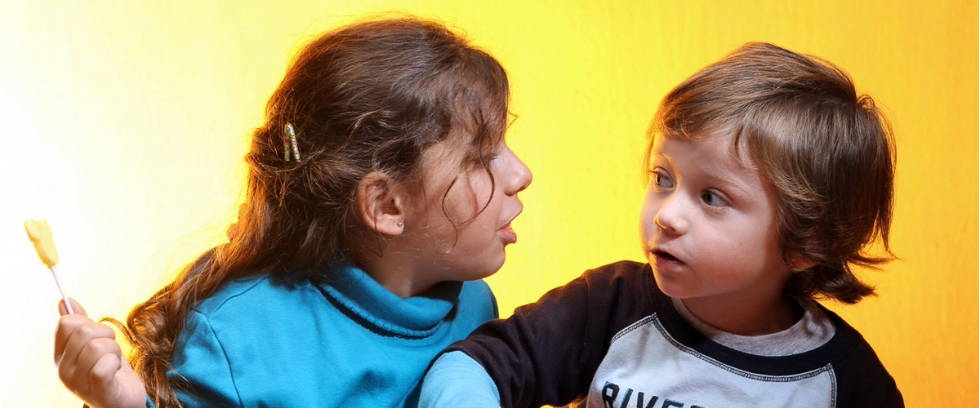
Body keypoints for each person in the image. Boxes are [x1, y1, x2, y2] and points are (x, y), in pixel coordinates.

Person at [54, 16, 532, 408]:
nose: (521, 174)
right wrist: (121, 402)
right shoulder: (237, 338)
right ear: (387, 206)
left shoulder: (475, 305)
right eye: (480, 157)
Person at [419, 42, 903, 407]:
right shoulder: (608, 305)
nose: (667, 215)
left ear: (807, 241)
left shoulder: (846, 382)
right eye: (662, 178)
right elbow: (471, 364)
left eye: (712, 197)